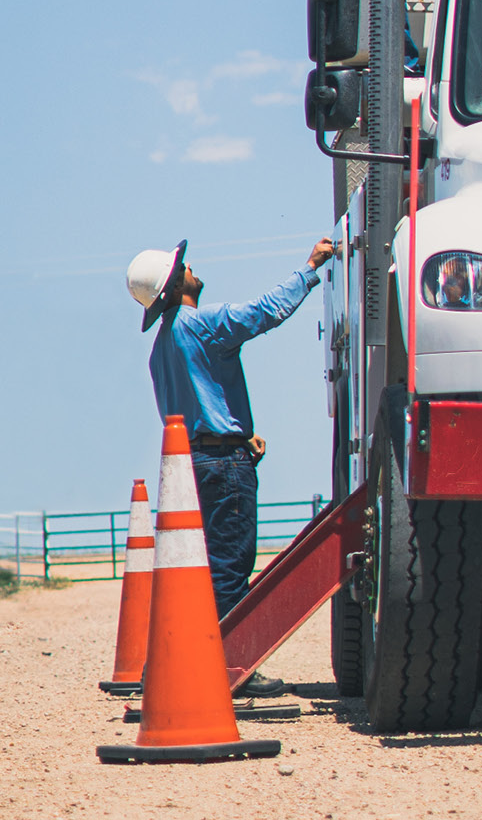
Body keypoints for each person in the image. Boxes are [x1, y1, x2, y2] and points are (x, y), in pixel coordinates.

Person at [126, 235, 336, 697]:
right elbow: (264, 312)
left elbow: (197, 401)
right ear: (176, 283)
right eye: (185, 267)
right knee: (229, 567)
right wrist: (311, 266)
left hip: (192, 465)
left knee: (194, 570)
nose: (193, 269)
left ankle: (165, 664)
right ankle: (233, 664)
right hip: (223, 463)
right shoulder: (202, 324)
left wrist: (238, 430)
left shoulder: (163, 344)